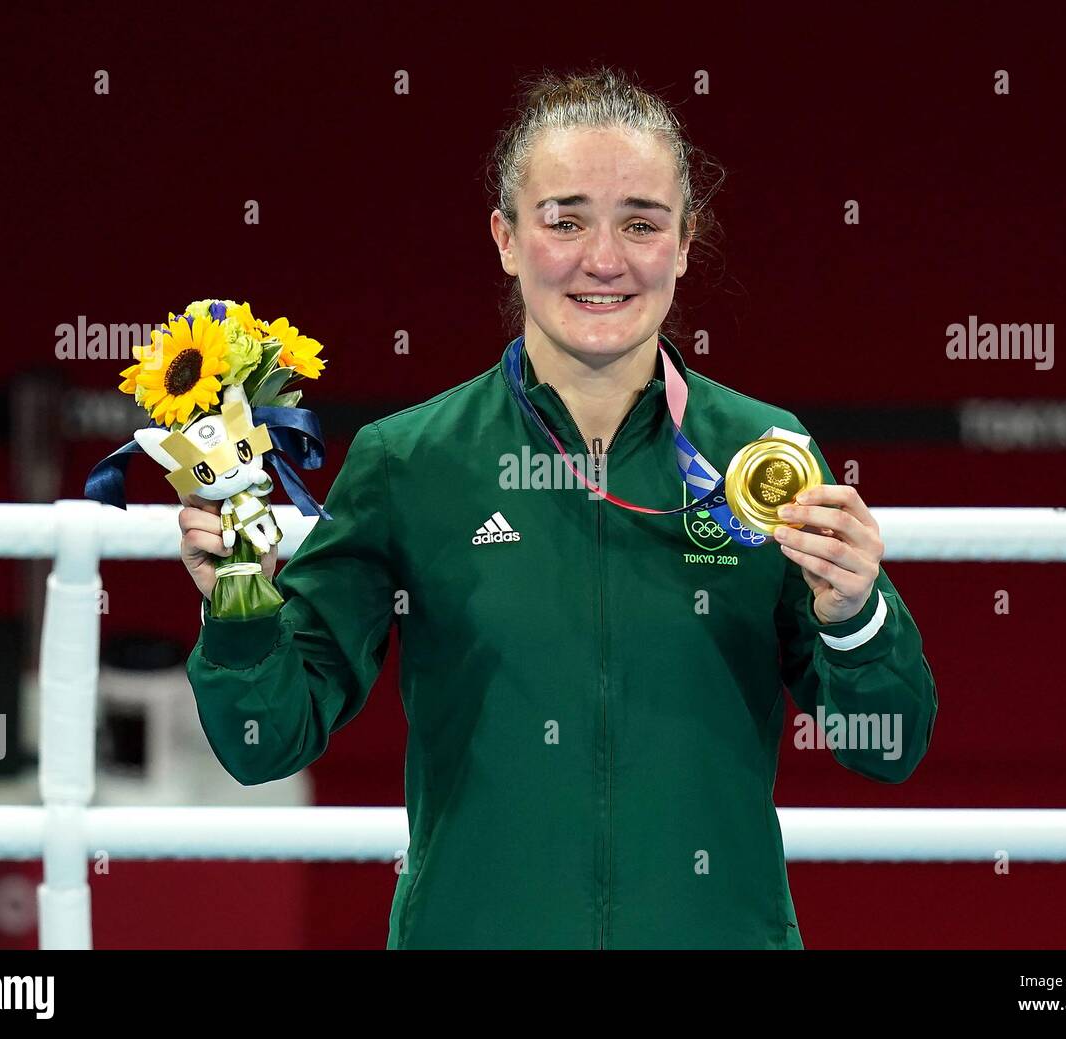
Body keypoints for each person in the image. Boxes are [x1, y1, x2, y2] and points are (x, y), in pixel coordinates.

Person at [179, 66, 937, 950]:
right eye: (564, 220)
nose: (603, 259)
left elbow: (887, 748)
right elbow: (263, 742)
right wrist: (237, 610)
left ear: (686, 243)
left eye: (642, 224)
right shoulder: (408, 463)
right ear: (505, 238)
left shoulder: (763, 454)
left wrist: (855, 616)